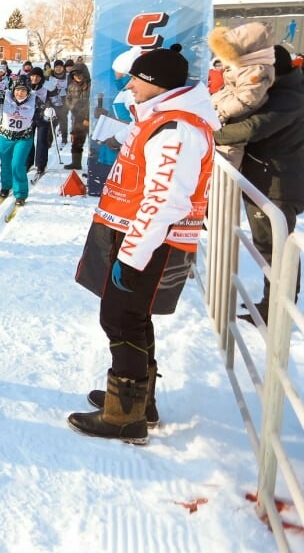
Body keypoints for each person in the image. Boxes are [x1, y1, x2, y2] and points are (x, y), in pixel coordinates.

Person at [68, 46, 217, 444]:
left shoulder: (176, 128)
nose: (130, 85)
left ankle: (125, 416)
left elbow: (166, 199)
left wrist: (132, 255)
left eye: (136, 79)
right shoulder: (162, 120)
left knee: (121, 319)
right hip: (138, 234)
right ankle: (139, 400)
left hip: (151, 240)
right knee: (131, 316)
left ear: (154, 83)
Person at [212, 45, 304, 320]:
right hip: (271, 177)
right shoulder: (283, 90)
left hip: (277, 184)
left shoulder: (288, 97)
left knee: (274, 248)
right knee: (272, 245)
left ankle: (276, 312)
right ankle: (273, 304)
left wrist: (211, 134)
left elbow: (254, 128)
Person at [207, 21, 275, 170]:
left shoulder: (257, 71)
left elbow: (246, 99)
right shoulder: (243, 68)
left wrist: (220, 112)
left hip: (230, 130)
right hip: (223, 121)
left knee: (223, 175)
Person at [0, 78, 38, 208]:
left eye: (23, 90)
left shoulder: (35, 100)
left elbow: (46, 109)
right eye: (17, 90)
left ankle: (20, 194)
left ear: (28, 91)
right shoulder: (5, 96)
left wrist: (49, 112)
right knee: (5, 164)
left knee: (17, 164)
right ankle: (6, 186)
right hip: (5, 136)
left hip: (23, 138)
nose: (20, 93)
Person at [64, 63, 91, 171]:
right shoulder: (71, 86)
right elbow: (67, 99)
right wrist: (73, 108)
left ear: (85, 74)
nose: (78, 76)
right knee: (76, 141)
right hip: (77, 117)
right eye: (75, 75)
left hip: (91, 118)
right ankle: (76, 163)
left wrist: (87, 113)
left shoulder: (92, 85)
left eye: (80, 74)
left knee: (93, 143)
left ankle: (93, 165)